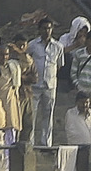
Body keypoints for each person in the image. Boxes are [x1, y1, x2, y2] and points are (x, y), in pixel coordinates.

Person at [25, 18, 63, 150]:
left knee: (48, 115)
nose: (47, 31)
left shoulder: (58, 46)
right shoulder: (32, 45)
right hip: (34, 86)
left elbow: (59, 66)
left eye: (49, 28)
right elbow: (26, 62)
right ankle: (30, 143)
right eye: (44, 28)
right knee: (32, 115)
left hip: (50, 86)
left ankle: (46, 144)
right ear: (39, 30)